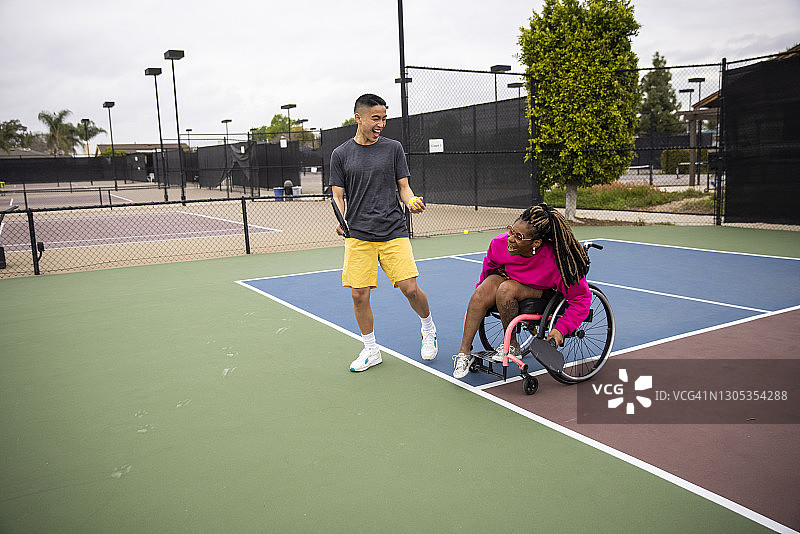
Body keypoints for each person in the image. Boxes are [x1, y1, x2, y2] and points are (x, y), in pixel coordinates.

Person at [330, 93, 438, 372]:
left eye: (384, 118)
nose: (380, 124)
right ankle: (371, 350)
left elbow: (404, 187)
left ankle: (428, 327)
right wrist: (341, 218)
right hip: (358, 234)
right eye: (375, 118)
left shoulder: (393, 149)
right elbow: (338, 195)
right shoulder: (340, 154)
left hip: (393, 230)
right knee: (359, 295)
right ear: (358, 118)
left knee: (410, 289)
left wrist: (411, 201)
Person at [452, 203, 591, 379]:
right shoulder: (499, 244)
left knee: (506, 290)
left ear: (536, 243)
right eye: (511, 231)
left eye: (518, 237)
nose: (510, 239)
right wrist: (483, 299)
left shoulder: (557, 262)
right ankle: (464, 353)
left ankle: (512, 345)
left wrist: (560, 330)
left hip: (542, 291)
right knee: (480, 293)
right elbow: (490, 268)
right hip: (511, 279)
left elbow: (581, 299)